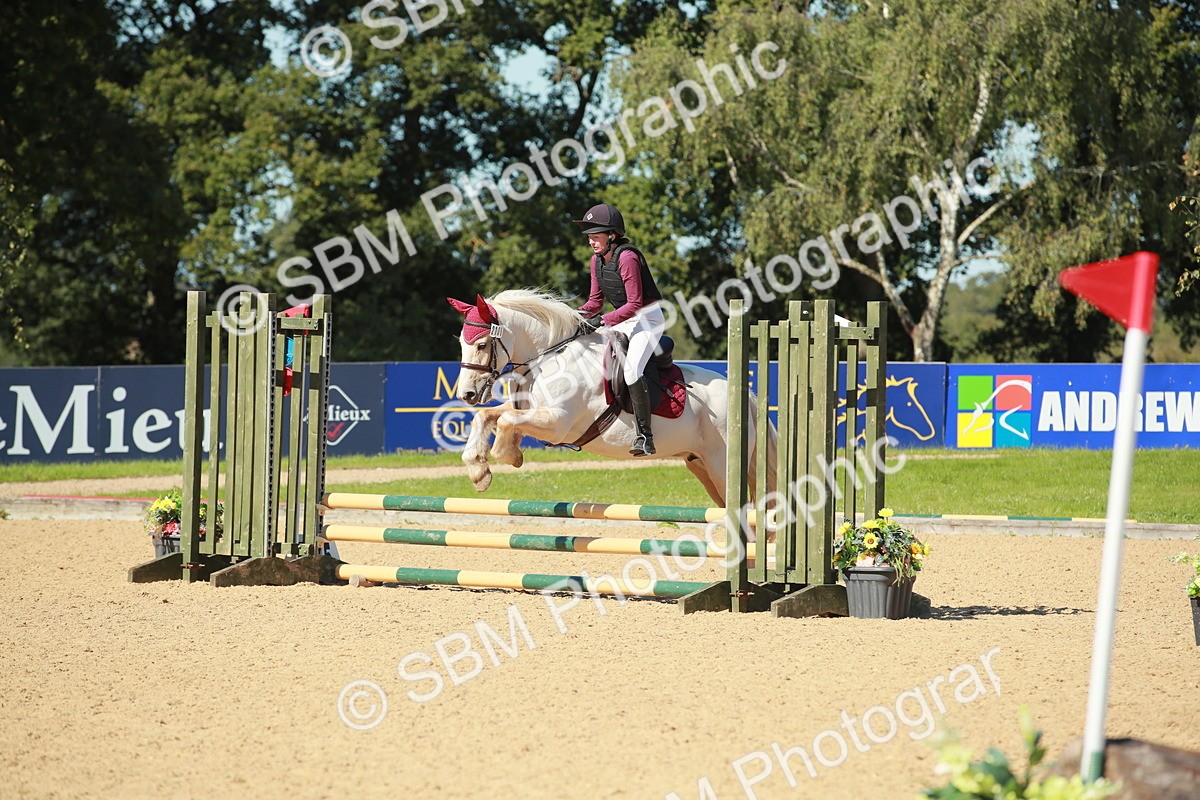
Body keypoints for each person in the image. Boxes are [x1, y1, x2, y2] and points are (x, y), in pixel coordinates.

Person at [574, 203, 665, 457]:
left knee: (632, 369)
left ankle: (645, 436)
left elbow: (635, 304)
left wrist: (603, 320)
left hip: (647, 319)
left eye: (595, 237)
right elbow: (594, 302)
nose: (591, 242)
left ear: (612, 235)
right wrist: (574, 317)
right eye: (589, 237)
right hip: (624, 319)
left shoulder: (627, 257)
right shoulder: (596, 261)